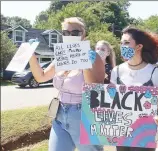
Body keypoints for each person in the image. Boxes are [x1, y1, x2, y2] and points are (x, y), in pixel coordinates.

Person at [28, 17, 105, 151]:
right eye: (66, 33)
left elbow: (95, 89)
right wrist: (31, 56)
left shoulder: (93, 56)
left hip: (84, 115)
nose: (70, 36)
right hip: (60, 114)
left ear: (83, 34)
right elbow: (41, 77)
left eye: (75, 32)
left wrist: (84, 63)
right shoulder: (62, 56)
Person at [110, 26, 158, 151]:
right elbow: (111, 102)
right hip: (122, 131)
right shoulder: (116, 71)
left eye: (126, 43)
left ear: (139, 46)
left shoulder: (155, 73)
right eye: (121, 43)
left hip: (145, 134)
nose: (122, 46)